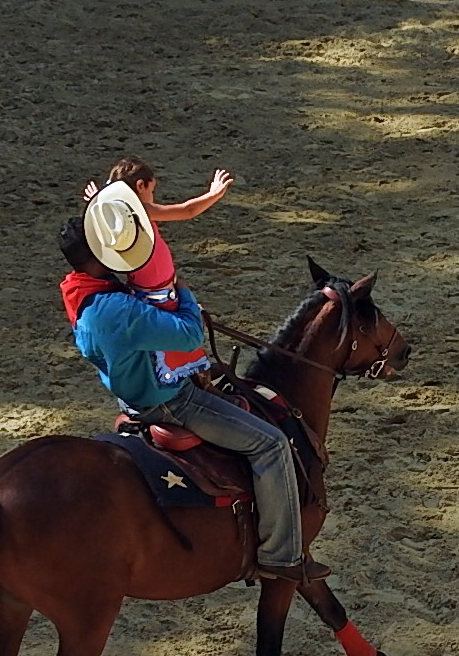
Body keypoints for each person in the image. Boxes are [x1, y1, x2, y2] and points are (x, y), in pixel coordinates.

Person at [69, 160, 329, 585]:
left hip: (130, 395)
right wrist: (185, 297)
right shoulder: (125, 306)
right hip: (169, 400)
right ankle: (281, 555)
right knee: (272, 445)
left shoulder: (86, 300)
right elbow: (188, 332)